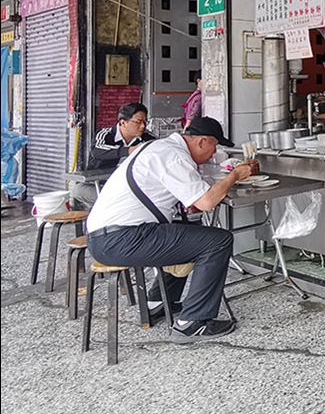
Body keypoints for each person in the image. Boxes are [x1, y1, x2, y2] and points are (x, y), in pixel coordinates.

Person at [85, 117, 253, 341]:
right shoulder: (174, 156)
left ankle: (158, 302)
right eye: (214, 146)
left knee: (187, 231)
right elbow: (205, 202)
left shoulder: (158, 147)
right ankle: (193, 323)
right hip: (122, 238)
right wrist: (234, 175)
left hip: (105, 236)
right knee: (217, 241)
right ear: (202, 141)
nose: (214, 153)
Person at [70, 102, 155, 207]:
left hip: (131, 186)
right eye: (138, 122)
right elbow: (97, 151)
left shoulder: (148, 138)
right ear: (123, 123)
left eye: (145, 122)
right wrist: (129, 150)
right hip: (99, 185)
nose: (143, 126)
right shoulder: (104, 134)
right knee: (78, 190)